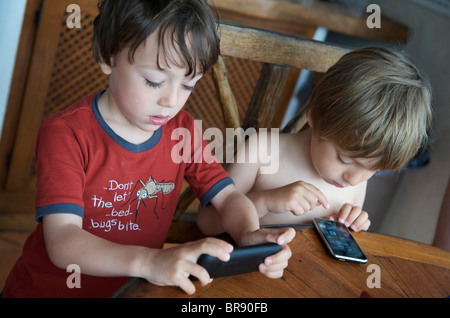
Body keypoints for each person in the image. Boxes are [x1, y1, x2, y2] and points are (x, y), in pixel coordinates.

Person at [2, 0, 295, 298]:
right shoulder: (65, 133)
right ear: (107, 56)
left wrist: (248, 233)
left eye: (188, 85)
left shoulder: (182, 131)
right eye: (154, 81)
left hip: (132, 292)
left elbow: (229, 196)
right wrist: (151, 260)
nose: (171, 101)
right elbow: (63, 241)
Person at [198, 46, 432, 234]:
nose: (355, 179)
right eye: (345, 159)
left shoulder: (356, 179)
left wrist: (348, 226)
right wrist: (265, 201)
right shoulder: (262, 150)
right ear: (315, 116)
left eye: (374, 169)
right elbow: (206, 223)